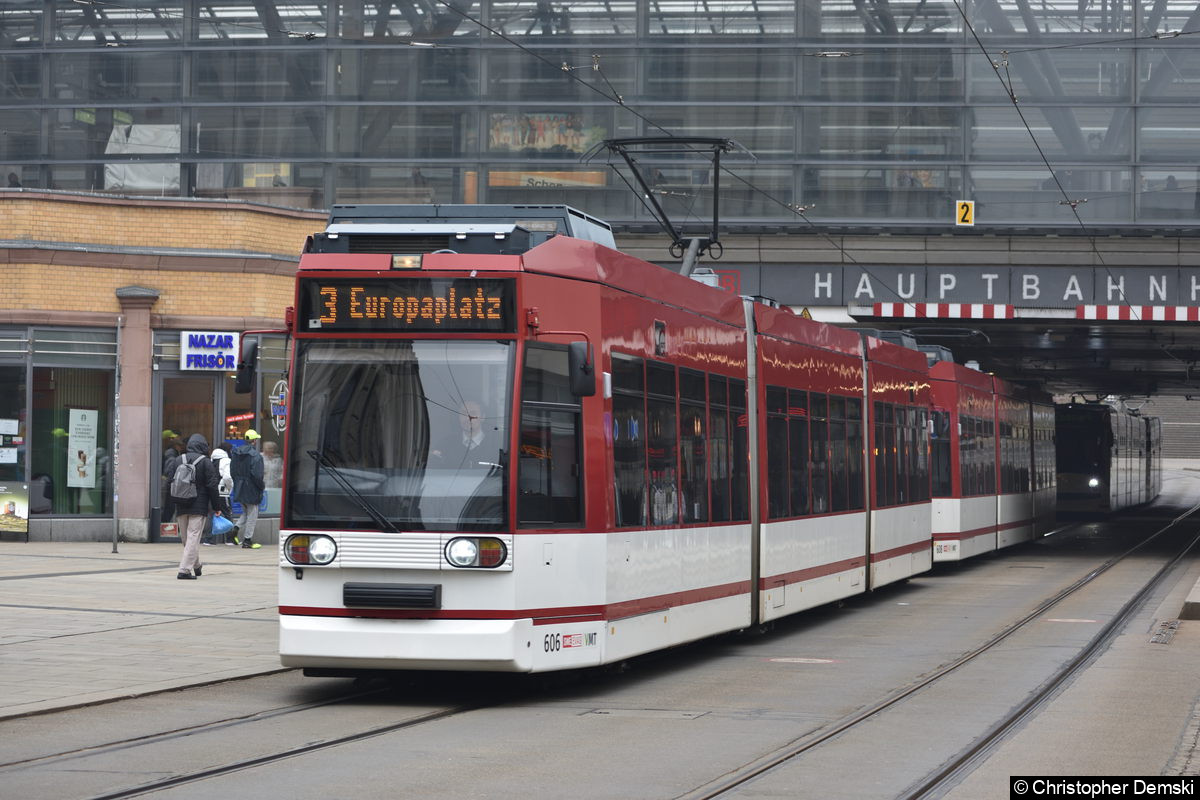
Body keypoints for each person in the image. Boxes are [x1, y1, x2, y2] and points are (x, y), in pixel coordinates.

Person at [173, 433, 224, 579]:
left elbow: (171, 480)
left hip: (181, 504)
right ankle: (185, 570)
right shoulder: (205, 462)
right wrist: (217, 507)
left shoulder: (178, 460)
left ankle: (195, 566)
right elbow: (212, 486)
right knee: (193, 537)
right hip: (198, 505)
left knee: (186, 538)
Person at [231, 429, 265, 549]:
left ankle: (235, 529)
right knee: (253, 515)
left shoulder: (235, 453)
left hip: (239, 487)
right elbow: (257, 475)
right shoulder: (256, 456)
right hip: (251, 488)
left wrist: (237, 483)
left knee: (246, 512)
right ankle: (247, 540)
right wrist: (261, 487)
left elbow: (232, 472)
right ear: (254, 441)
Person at [204, 445, 235, 545]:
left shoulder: (211, 460)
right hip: (223, 492)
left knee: (211, 514)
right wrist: (229, 487)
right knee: (227, 513)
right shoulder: (226, 461)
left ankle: (208, 539)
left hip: (212, 491)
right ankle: (229, 539)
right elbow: (227, 477)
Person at [161, 431, 185, 522]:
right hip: (169, 481)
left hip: (168, 481)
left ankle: (166, 524)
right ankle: (165, 524)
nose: (181, 448)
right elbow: (169, 469)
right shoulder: (171, 453)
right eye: (180, 446)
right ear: (176, 446)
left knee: (169, 505)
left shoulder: (171, 452)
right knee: (169, 505)